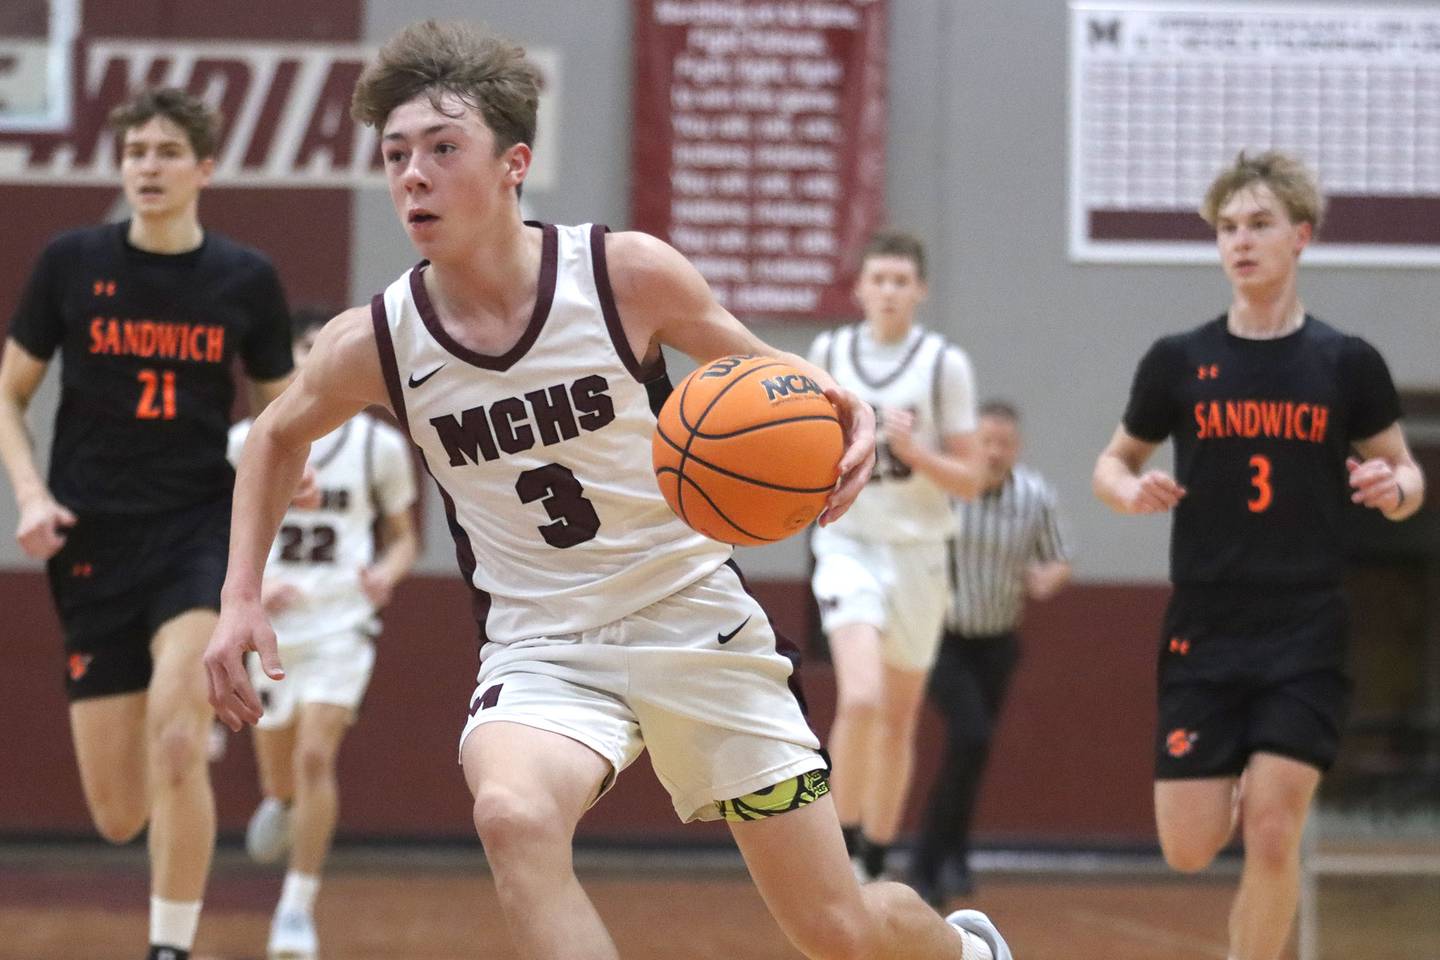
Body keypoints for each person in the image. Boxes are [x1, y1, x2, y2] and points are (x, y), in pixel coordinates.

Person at [204, 20, 1012, 960]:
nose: (412, 175)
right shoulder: (378, 339)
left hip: (690, 615)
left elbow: (780, 382)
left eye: (441, 148)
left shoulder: (623, 274)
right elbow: (272, 435)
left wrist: (852, 412)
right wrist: (239, 599)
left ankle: (962, 952)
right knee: (510, 813)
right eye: (395, 155)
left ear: (515, 163)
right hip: (542, 646)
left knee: (839, 931)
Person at [1092, 150, 1426, 960]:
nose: (1240, 242)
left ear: (1300, 236)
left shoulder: (1346, 362)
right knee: (1189, 847)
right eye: (1228, 228)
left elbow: (1408, 471)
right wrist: (1125, 491)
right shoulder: (1179, 361)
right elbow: (1112, 463)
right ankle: (1237, 766)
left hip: (1305, 621)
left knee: (1275, 830)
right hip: (1206, 624)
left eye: (1259, 225)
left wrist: (1396, 489)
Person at [0, 88, 297, 960]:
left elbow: (285, 412)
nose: (148, 167)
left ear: (204, 168)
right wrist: (29, 494)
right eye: (135, 153)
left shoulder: (246, 279)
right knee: (118, 811)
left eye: (168, 151)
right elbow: (9, 395)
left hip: (196, 532)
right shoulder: (70, 263)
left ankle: (169, 948)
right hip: (92, 540)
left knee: (178, 732)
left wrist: (296, 471)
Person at [226, 306, 419, 960]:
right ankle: (279, 801)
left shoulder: (378, 445)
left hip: (342, 619)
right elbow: (219, 531)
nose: (316, 364)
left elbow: (405, 539)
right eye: (303, 353)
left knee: (316, 756)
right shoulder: (249, 439)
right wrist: (251, 583)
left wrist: (385, 574)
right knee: (280, 769)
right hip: (276, 624)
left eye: (324, 353)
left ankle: (296, 907)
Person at [807, 230, 985, 883]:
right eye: (877, 279)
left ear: (920, 291)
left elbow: (971, 479)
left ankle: (877, 857)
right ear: (858, 289)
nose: (887, 291)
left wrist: (918, 456)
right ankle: (838, 846)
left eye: (900, 281)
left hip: (921, 551)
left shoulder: (943, 365)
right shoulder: (827, 352)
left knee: (898, 717)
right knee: (859, 698)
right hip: (848, 540)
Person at [910, 400, 1073, 907]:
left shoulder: (1035, 496)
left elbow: (1060, 556)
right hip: (943, 638)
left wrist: (1049, 578)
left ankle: (954, 853)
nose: (996, 451)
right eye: (987, 441)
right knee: (970, 734)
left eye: (1005, 442)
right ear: (971, 443)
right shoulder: (946, 488)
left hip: (998, 642)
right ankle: (925, 865)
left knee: (973, 754)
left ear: (1016, 447)